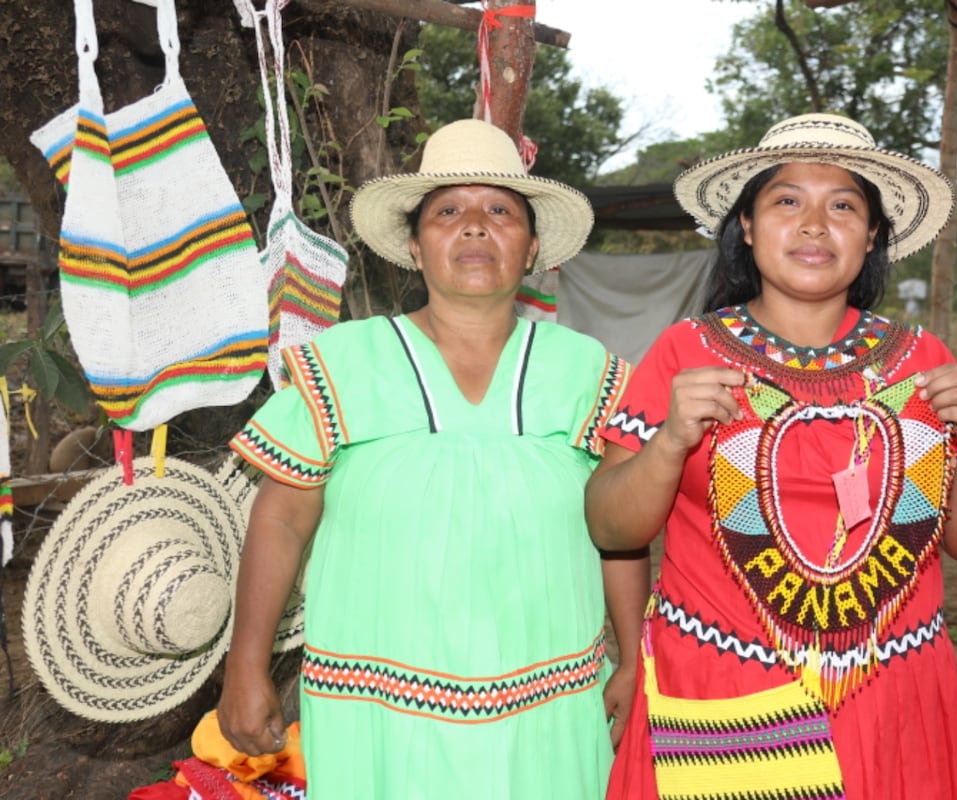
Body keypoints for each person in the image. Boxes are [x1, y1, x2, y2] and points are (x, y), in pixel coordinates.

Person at [586, 113, 957, 800]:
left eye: (843, 206)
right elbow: (611, 528)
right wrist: (669, 442)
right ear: (747, 226)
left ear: (872, 235)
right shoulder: (684, 354)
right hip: (725, 689)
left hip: (889, 699)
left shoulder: (925, 364)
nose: (815, 225)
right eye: (787, 201)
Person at [217, 118, 649, 798]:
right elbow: (281, 520)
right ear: (416, 249)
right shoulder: (343, 363)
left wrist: (632, 658)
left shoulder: (589, 371)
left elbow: (620, 529)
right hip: (380, 712)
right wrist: (245, 666)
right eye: (448, 212)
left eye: (500, 212)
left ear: (532, 248)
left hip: (551, 706)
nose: (475, 226)